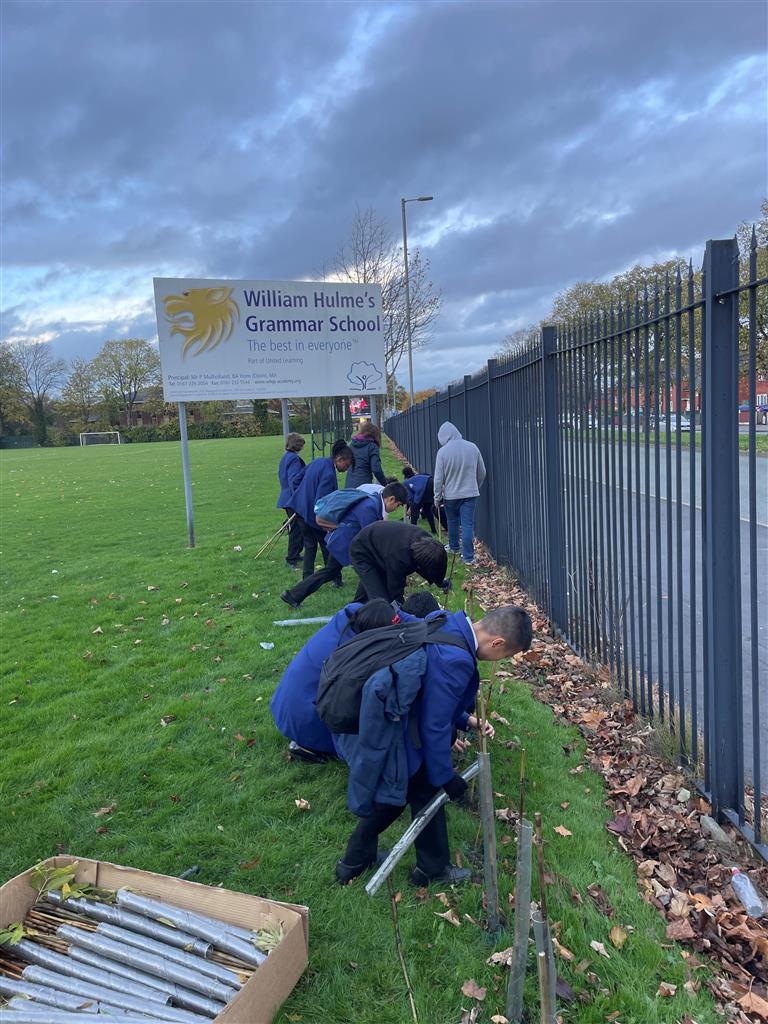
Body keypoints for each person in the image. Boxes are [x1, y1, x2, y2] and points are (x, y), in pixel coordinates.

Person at [334, 604, 533, 885]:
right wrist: (446, 776)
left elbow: (430, 694)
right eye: (504, 655)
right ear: (497, 642)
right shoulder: (457, 659)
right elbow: (434, 725)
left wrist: (466, 721)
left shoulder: (446, 623)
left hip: (400, 720)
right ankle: (398, 865)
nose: (497, 660)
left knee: (411, 795)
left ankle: (383, 862)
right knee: (411, 792)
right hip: (401, 732)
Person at [270, 600, 400, 764]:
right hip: (302, 717)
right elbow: (347, 708)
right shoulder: (348, 657)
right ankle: (307, 745)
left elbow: (378, 611)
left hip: (285, 705)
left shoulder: (348, 618)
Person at [280, 482, 408, 610]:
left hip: (345, 542)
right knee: (367, 569)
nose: (396, 509)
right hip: (344, 543)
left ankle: (293, 595)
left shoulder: (374, 503)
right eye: (398, 505)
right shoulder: (370, 507)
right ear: (391, 499)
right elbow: (370, 537)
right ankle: (359, 604)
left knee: (333, 571)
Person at [290, 439, 353, 580]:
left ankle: (307, 578)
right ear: (339, 459)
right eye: (347, 465)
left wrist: (301, 497)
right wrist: (327, 523)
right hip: (314, 515)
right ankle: (335, 578)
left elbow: (296, 481)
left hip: (300, 509)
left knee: (310, 545)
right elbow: (321, 502)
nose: (346, 469)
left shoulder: (318, 461)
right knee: (327, 545)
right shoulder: (329, 474)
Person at [349, 521, 449, 605]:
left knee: (367, 593)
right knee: (382, 601)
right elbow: (395, 589)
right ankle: (353, 617)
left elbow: (430, 566)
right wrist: (401, 611)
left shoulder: (429, 544)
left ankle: (353, 610)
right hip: (363, 552)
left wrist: (440, 582)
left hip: (382, 548)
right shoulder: (400, 558)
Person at [433, 422, 486, 565]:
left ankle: (454, 546)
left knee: (452, 521)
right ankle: (469, 557)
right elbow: (482, 472)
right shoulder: (472, 447)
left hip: (450, 495)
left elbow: (438, 479)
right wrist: (475, 486)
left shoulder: (442, 452)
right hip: (470, 493)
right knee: (468, 524)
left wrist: (437, 497)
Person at [276, 433, 306, 569]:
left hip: (285, 496)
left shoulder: (285, 457)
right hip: (291, 498)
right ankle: (291, 558)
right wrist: (298, 499)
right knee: (296, 529)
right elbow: (294, 480)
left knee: (297, 527)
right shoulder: (294, 459)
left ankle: (296, 553)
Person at [346, 422, 388, 488]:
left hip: (349, 484)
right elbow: (376, 469)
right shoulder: (372, 446)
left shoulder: (352, 444)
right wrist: (386, 484)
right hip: (364, 485)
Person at [402, 465, 437, 534]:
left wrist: (411, 508)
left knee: (414, 511)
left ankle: (412, 532)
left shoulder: (406, 483)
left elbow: (412, 498)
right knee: (427, 510)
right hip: (432, 483)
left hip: (424, 488)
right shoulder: (419, 476)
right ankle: (434, 530)